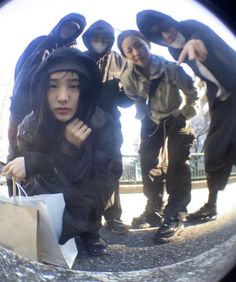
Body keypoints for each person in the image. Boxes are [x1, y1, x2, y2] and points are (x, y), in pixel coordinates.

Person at [3, 47, 122, 256]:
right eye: (52, 87)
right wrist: (63, 149)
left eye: (73, 87)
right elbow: (31, 177)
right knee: (37, 179)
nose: (63, 97)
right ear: (42, 90)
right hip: (49, 197)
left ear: (84, 90)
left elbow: (106, 175)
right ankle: (52, 227)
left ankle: (89, 230)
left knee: (92, 184)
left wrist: (69, 153)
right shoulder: (32, 124)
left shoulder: (103, 123)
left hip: (89, 190)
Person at [136, 9, 236, 221]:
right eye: (157, 35)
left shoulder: (190, 26)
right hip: (222, 99)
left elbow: (202, 35)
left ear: (171, 21)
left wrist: (195, 42)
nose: (165, 35)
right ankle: (211, 205)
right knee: (214, 150)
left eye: (165, 28)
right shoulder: (174, 52)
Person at [117, 30, 198, 242]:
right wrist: (144, 118)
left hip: (176, 117)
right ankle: (154, 207)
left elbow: (192, 93)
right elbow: (135, 98)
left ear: (147, 44)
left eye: (139, 45)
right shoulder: (127, 77)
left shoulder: (171, 69)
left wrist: (184, 113)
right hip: (152, 122)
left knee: (178, 163)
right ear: (125, 55)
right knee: (148, 162)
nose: (136, 52)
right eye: (129, 50)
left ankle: (175, 213)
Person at [8, 13, 86, 162]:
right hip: (21, 99)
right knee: (13, 139)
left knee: (34, 141)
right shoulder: (40, 41)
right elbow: (20, 66)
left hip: (43, 104)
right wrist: (18, 90)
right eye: (67, 26)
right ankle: (13, 173)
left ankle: (30, 173)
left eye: (74, 30)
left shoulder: (70, 53)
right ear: (61, 24)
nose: (69, 31)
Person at [82, 20, 133, 234]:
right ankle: (87, 218)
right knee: (84, 169)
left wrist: (132, 92)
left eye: (105, 39)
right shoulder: (79, 58)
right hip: (82, 123)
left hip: (111, 124)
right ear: (89, 38)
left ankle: (113, 216)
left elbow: (126, 99)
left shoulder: (121, 61)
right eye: (96, 38)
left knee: (112, 169)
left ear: (111, 41)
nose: (100, 42)